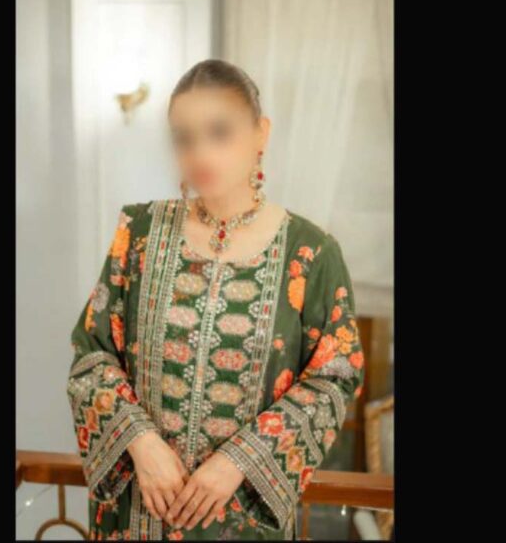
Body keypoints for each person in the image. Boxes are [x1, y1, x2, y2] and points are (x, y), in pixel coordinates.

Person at [66, 59, 365, 540]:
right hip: (140, 507)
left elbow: (336, 376)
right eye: (183, 138)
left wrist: (239, 460)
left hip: (242, 512)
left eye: (219, 132)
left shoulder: (310, 252)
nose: (199, 153)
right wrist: (139, 441)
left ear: (261, 133)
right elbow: (91, 352)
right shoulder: (139, 232)